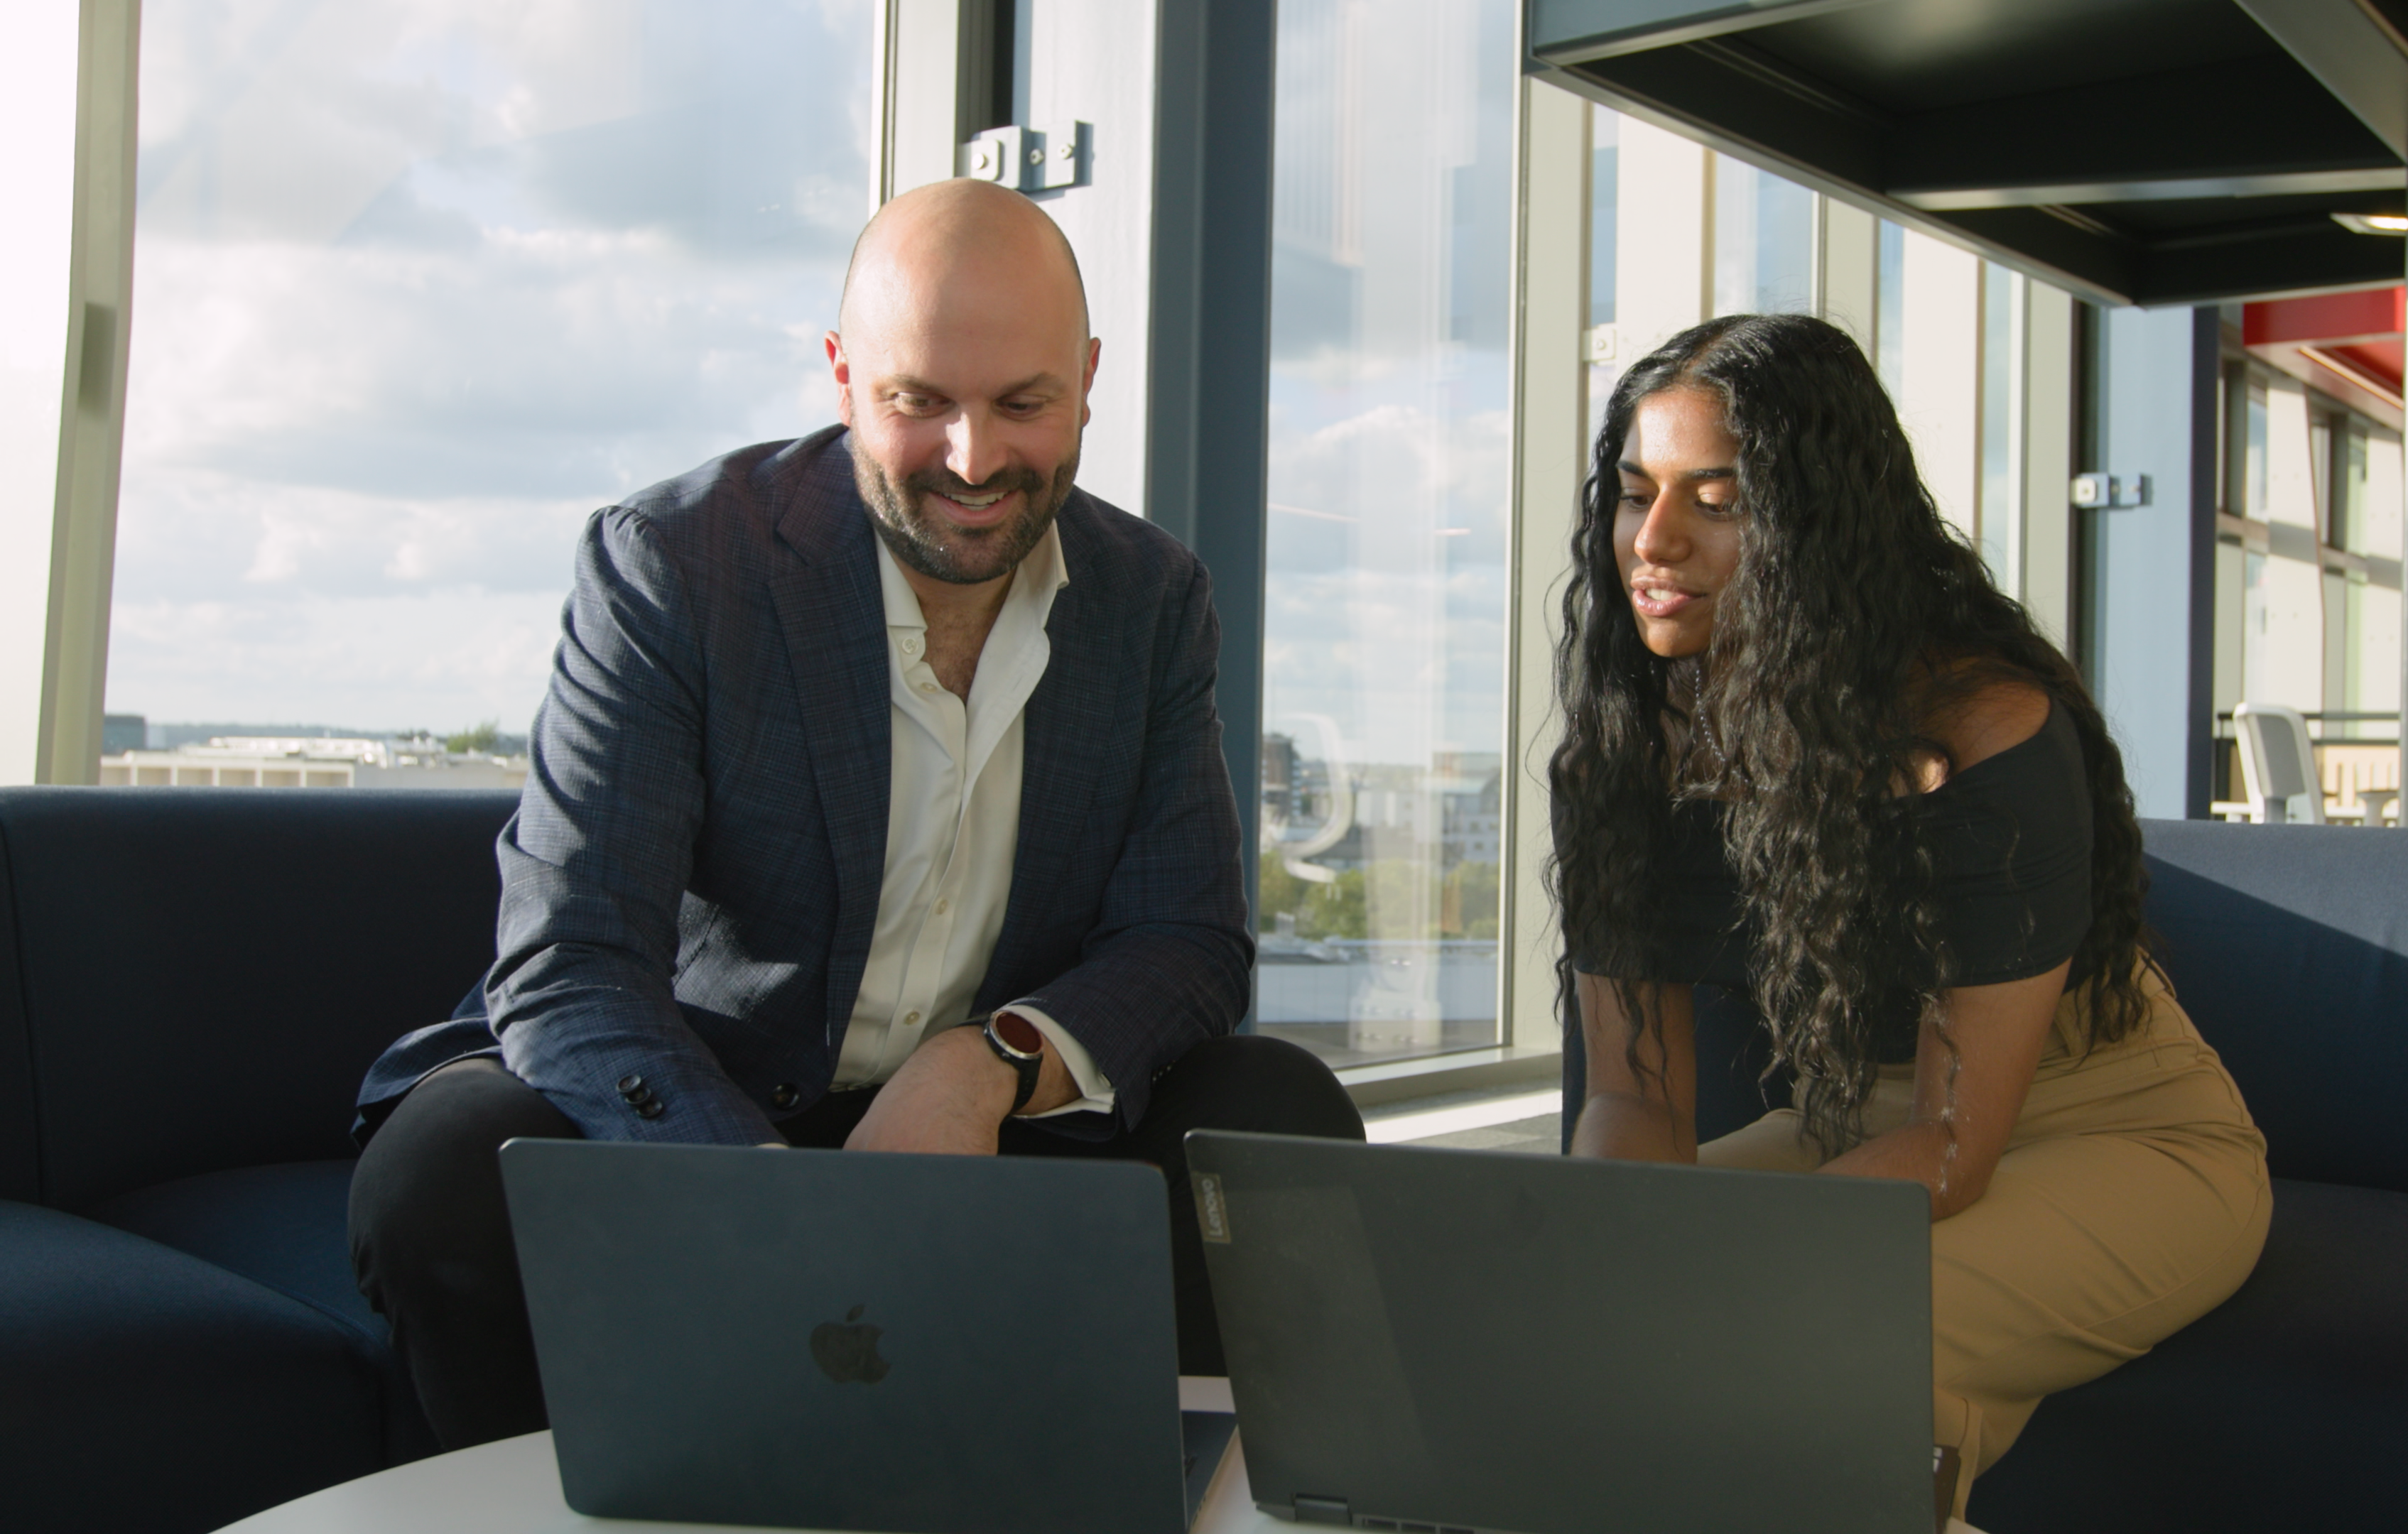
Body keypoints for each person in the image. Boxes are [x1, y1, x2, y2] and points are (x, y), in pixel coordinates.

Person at [347, 179, 1362, 1449]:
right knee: (446, 1169)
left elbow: (1188, 941)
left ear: (1090, 378)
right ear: (841, 374)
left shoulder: (1154, 600)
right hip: (702, 1106)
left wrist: (981, 1067)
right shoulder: (676, 564)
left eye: (1023, 404)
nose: (974, 460)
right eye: (918, 403)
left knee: (1272, 1112)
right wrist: (782, 1213)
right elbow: (571, 959)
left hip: (980, 1134)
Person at [1551, 313, 2269, 1516]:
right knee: (1573, 1309)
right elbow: (1636, 1099)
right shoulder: (1628, 756)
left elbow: (1952, 1143)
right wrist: (1627, 1252)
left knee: (1818, 1348)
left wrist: (1708, 1275)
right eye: (1635, 494)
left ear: (1820, 528)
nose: (1653, 541)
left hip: (2118, 1139)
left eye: (1716, 501)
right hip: (1855, 1125)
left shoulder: (1982, 734)